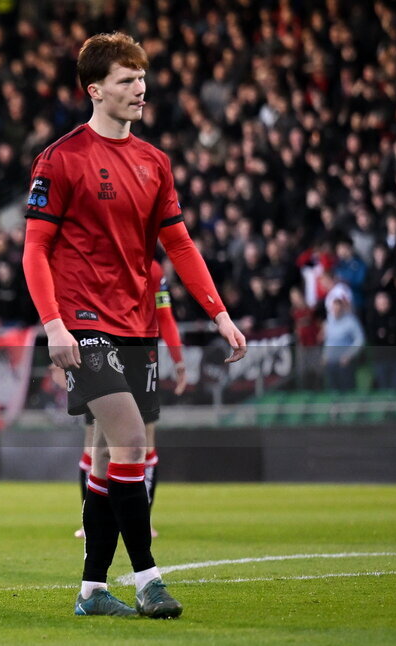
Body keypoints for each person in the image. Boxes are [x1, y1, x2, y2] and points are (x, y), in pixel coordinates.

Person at [22, 32, 246, 619]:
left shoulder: (155, 162)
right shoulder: (61, 158)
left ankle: (93, 589)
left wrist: (218, 314)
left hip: (137, 323)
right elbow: (34, 250)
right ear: (94, 89)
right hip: (83, 322)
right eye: (126, 79)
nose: (139, 88)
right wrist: (53, 324)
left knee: (105, 460)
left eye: (142, 77)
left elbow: (180, 244)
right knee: (129, 441)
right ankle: (149, 579)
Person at [75, 259, 186, 539]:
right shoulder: (97, 260)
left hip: (142, 352)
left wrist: (178, 359)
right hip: (101, 350)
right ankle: (91, 518)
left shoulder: (154, 269)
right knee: (94, 439)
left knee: (144, 439)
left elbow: (165, 316)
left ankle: (142, 519)